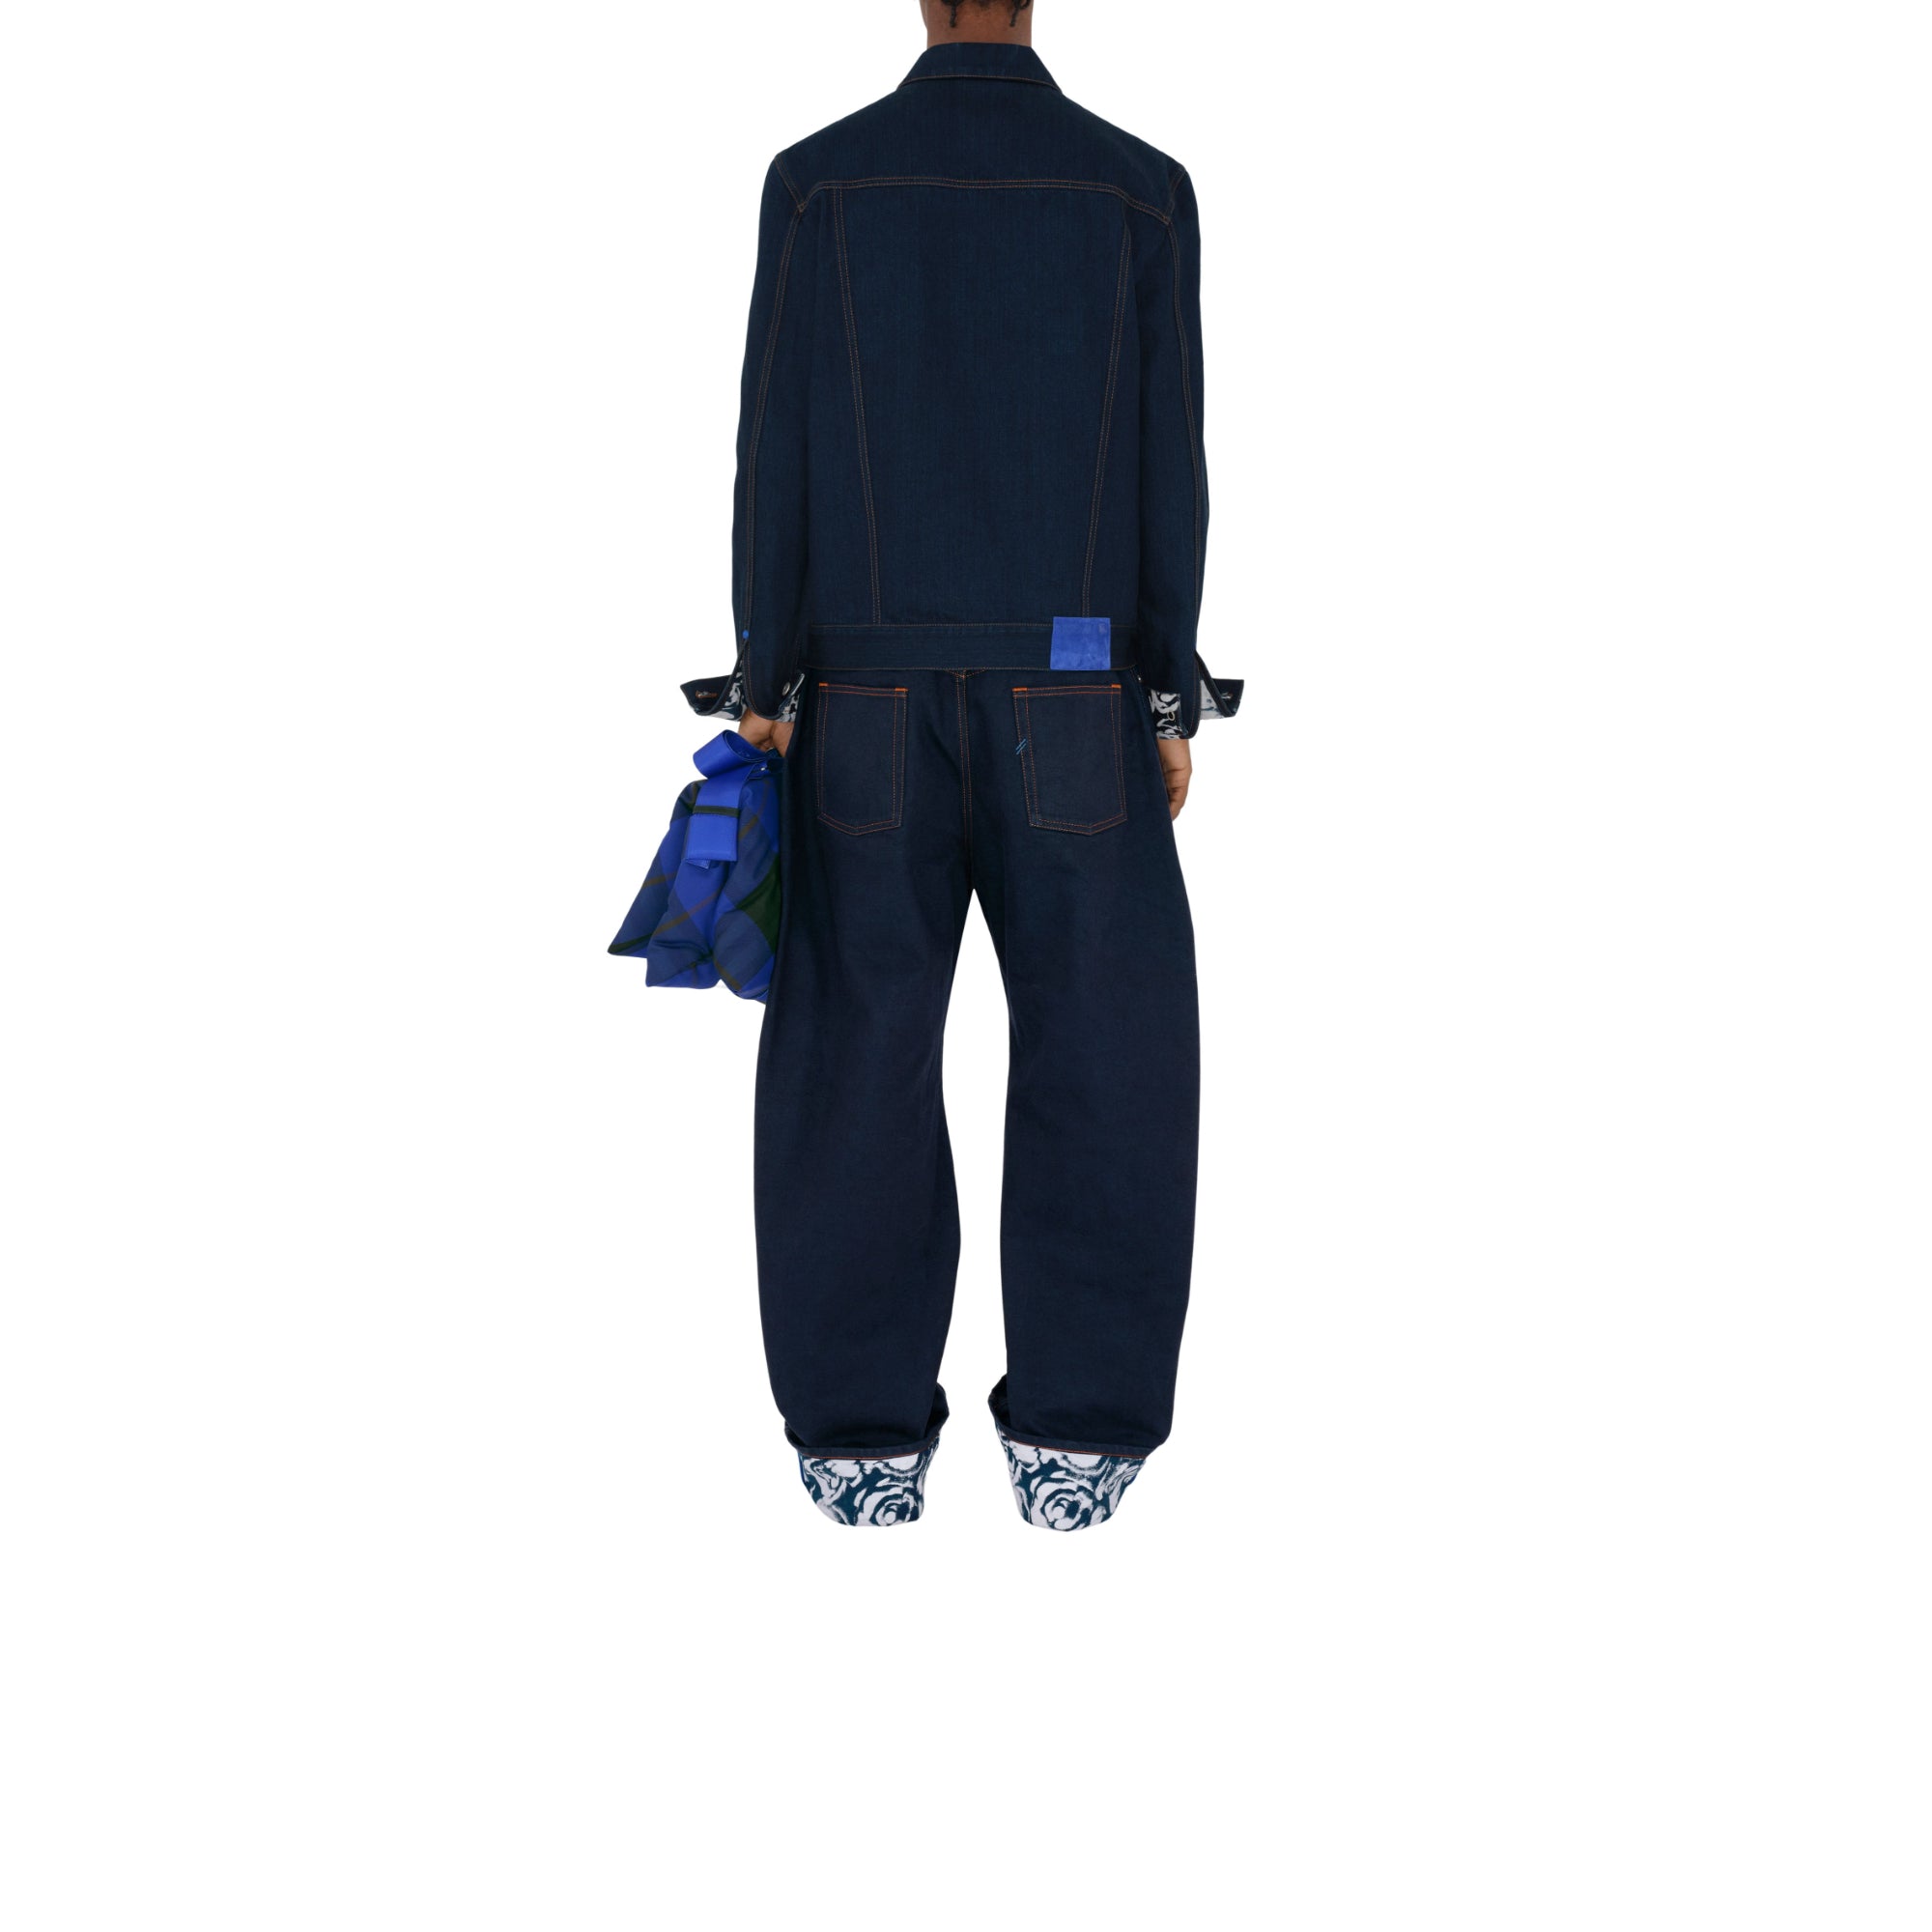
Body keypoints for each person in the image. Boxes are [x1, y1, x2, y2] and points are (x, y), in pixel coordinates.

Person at [683, 0, 1238, 1529]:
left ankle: (858, 1443)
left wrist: (764, 682)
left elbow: (773, 454)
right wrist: (1166, 692)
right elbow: (1170, 469)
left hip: (861, 696)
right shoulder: (1140, 188)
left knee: (852, 1057)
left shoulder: (818, 181)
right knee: (1107, 1053)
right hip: (1076, 688)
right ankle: (1080, 1443)